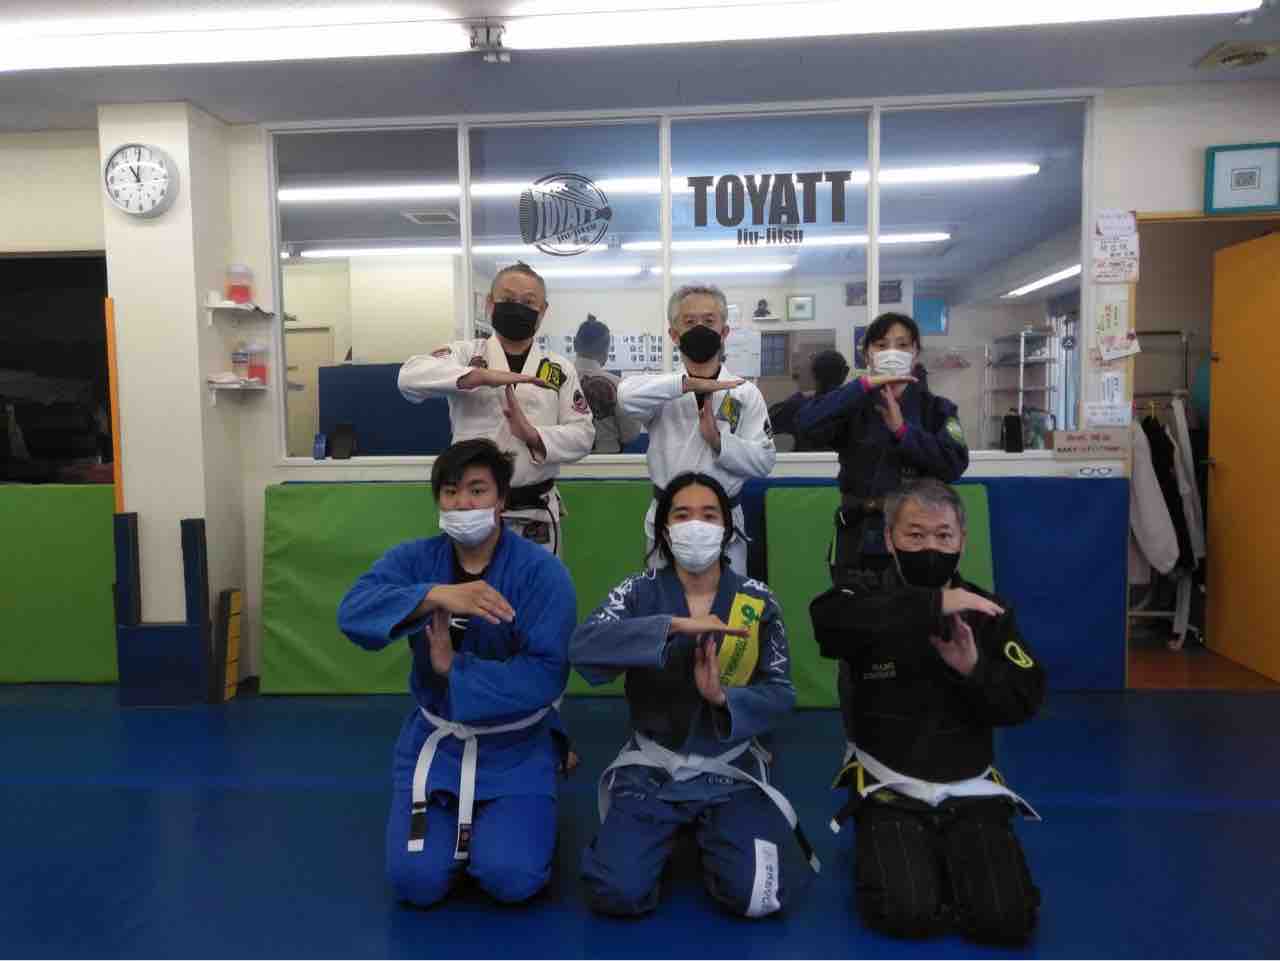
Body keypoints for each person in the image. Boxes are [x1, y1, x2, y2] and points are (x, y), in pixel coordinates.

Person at [337, 439, 576, 908]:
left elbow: (547, 674)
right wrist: (433, 596)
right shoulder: (414, 562)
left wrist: (454, 668)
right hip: (439, 743)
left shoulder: (542, 574)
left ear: (501, 500)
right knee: (415, 883)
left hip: (516, 747)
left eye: (477, 490)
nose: (462, 503)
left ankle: (525, 806)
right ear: (438, 501)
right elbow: (353, 612)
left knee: (512, 878)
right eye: (450, 492)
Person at [571, 472, 818, 918]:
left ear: (727, 527)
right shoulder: (638, 591)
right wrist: (670, 628)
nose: (696, 525)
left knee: (758, 897)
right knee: (615, 892)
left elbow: (780, 693)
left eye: (709, 515)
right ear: (664, 529)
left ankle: (709, 833)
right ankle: (654, 834)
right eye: (682, 515)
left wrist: (724, 700)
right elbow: (584, 647)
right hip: (653, 772)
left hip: (729, 771)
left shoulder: (756, 601)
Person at [809, 479, 1044, 944]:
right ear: (890, 539)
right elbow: (828, 624)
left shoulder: (988, 612)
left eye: (943, 535)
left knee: (1006, 921)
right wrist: (931, 603)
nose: (930, 547)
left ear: (962, 541)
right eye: (915, 535)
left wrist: (974, 669)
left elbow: (1026, 698)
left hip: (968, 787)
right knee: (906, 913)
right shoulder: (861, 597)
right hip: (890, 786)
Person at [794, 311, 968, 763]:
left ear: (916, 352)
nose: (893, 351)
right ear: (868, 353)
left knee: (923, 636)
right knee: (859, 639)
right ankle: (859, 744)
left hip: (920, 542)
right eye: (882, 344)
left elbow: (953, 462)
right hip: (861, 536)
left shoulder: (937, 409)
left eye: (903, 343)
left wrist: (903, 432)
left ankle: (923, 741)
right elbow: (805, 424)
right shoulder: (854, 405)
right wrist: (862, 387)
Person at [398, 262, 595, 556]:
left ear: (543, 311)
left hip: (534, 511)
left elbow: (584, 435)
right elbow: (408, 378)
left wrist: (533, 435)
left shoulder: (558, 368)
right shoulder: (467, 354)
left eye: (528, 302)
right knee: (471, 583)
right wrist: (475, 377)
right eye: (508, 299)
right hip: (472, 509)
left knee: (535, 583)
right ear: (490, 303)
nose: (518, 307)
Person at [617, 284, 776, 574]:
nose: (700, 328)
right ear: (674, 335)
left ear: (724, 332)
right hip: (669, 516)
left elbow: (764, 461)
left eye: (709, 321)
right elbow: (625, 397)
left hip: (723, 517)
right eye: (689, 322)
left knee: (727, 599)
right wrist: (686, 384)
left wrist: (718, 442)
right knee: (664, 599)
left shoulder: (744, 393)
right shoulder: (662, 392)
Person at [572, 314, 642, 454]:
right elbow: (630, 434)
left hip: (568, 460)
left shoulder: (559, 381)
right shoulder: (619, 385)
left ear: (574, 344)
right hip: (608, 460)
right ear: (606, 349)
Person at [768, 349, 850, 452]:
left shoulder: (798, 405)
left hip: (804, 461)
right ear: (845, 373)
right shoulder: (854, 405)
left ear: (814, 375)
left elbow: (766, 423)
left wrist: (800, 397)